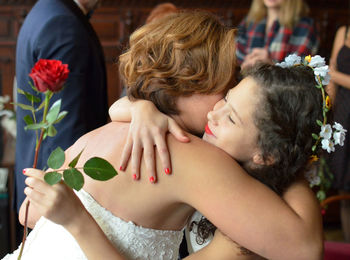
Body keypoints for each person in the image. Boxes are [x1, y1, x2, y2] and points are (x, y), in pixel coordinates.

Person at [6, 11, 322, 260]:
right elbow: (303, 250)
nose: (228, 93)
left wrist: (138, 107)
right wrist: (293, 151)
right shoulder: (187, 153)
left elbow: (29, 214)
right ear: (192, 84)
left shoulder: (107, 131)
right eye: (225, 83)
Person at [15, 0, 108, 213]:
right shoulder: (62, 23)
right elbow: (66, 127)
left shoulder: (44, 9)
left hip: (37, 181)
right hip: (53, 191)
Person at [236, 0, 319, 69]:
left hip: (280, 87)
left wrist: (271, 65)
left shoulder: (305, 25)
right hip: (246, 83)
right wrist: (245, 65)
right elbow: (235, 60)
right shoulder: (249, 21)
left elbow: (301, 71)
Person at [326, 25, 350, 242]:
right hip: (343, 116)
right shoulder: (343, 31)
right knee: (344, 191)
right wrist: (326, 109)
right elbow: (331, 79)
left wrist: (333, 73)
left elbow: (332, 71)